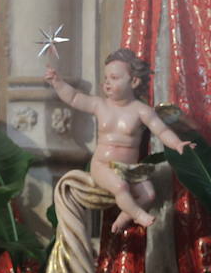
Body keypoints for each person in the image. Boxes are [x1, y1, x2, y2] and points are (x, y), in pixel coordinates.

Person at [45, 48, 191, 230]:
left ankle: (124, 217)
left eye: (114, 78)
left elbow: (161, 131)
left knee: (149, 195)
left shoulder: (141, 111)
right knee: (121, 187)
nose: (107, 83)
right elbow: (74, 98)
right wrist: (57, 83)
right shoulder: (100, 105)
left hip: (129, 169)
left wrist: (177, 144)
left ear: (134, 81)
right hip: (102, 165)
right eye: (106, 79)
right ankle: (137, 215)